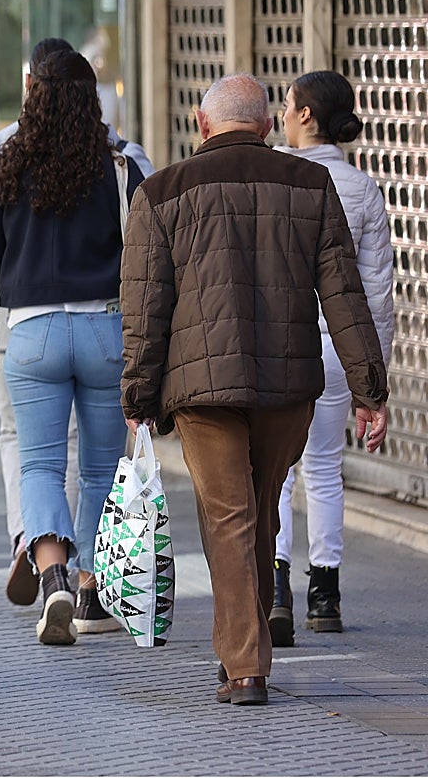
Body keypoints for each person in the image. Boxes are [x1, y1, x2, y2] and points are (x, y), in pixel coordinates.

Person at [120, 72, 389, 706]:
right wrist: (368, 390)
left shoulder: (160, 193)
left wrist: (137, 395)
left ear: (201, 123)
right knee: (261, 509)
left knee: (228, 516)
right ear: (268, 127)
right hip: (287, 384)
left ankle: (244, 665)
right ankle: (247, 649)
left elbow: (144, 307)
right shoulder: (310, 184)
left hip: (201, 387)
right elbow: (344, 295)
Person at [0, 37, 154, 607]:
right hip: (107, 332)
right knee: (101, 467)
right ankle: (92, 586)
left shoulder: (6, 162)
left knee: (39, 463)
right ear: (93, 99)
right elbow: (150, 256)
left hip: (32, 333)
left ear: (32, 94)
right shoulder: (120, 164)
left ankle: (52, 579)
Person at [269, 70, 395, 645]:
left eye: (287, 104)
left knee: (274, 470)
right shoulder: (363, 188)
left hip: (281, 345)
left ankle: (276, 589)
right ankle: (325, 595)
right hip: (337, 348)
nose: (282, 114)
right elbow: (377, 293)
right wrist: (374, 385)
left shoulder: (276, 176)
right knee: (323, 468)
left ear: (306, 115)